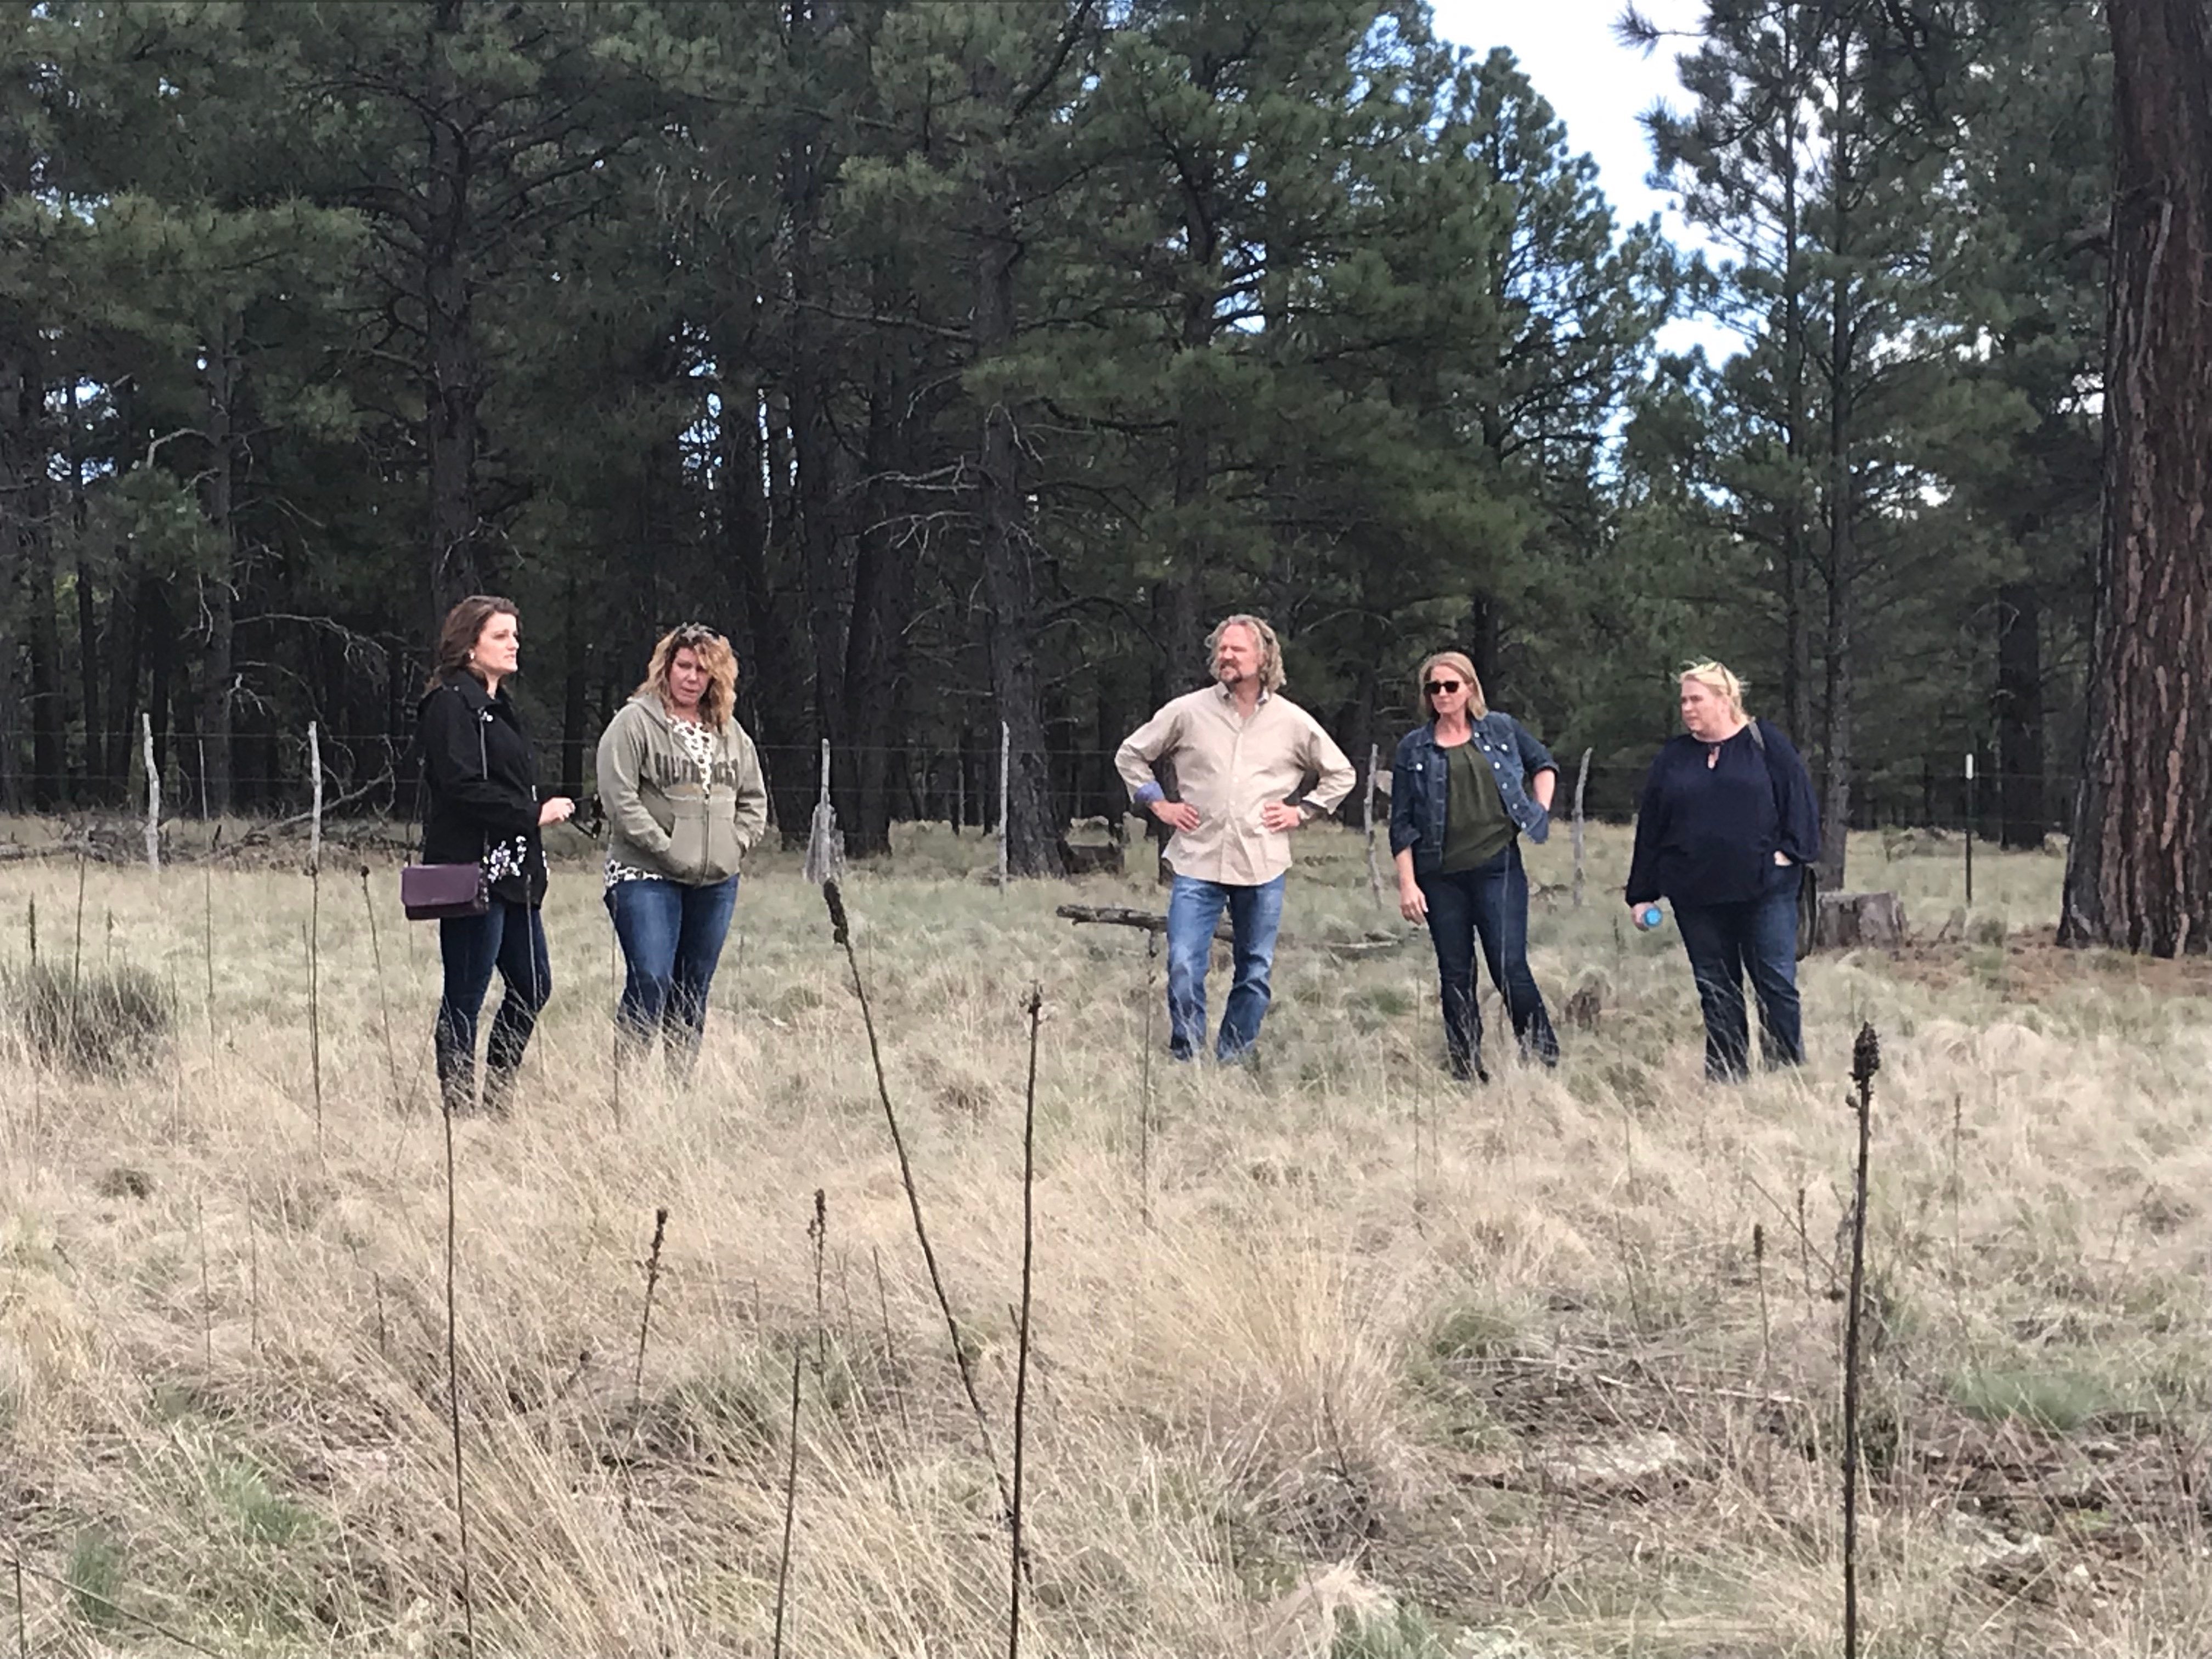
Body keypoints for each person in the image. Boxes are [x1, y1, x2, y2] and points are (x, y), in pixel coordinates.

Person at [1115, 614, 1355, 1063]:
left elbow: (1341, 773)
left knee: (1255, 970)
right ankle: (1187, 1056)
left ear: (1263, 658)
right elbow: (1131, 754)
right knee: (1184, 964)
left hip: (1262, 863)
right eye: (1222, 650)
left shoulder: (1292, 721)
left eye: (1237, 650)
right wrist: (1159, 804)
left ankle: (1233, 1059)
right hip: (1196, 860)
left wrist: (1302, 811)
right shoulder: (1188, 711)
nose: (1226, 656)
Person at [1624, 660, 1821, 1081]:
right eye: (1683, 700)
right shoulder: (1673, 758)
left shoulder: (1766, 743)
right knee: (1717, 991)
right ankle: (1728, 1079)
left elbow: (1801, 804)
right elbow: (1652, 826)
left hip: (1765, 891)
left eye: (1696, 699)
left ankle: (1786, 1077)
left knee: (1775, 985)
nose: (1688, 708)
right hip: (1695, 894)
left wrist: (1789, 856)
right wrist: (1643, 893)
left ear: (1725, 699)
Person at [417, 595, 574, 1115]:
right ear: (469, 645)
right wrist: (532, 813)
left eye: (515, 634)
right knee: (465, 993)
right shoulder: (448, 704)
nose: (514, 644)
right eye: (501, 636)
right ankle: (459, 1111)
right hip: (470, 869)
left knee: (532, 986)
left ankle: (498, 1098)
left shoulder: (500, 708)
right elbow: (459, 786)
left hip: (517, 872)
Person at [595, 623, 770, 1073]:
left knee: (693, 988)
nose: (692, 678)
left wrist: (737, 844)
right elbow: (619, 798)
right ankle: (628, 1084)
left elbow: (755, 799)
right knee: (652, 977)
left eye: (703, 670)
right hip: (644, 875)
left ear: (717, 677)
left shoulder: (731, 733)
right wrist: (664, 846)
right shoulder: (634, 722)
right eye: (684, 666)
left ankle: (678, 1091)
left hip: (714, 880)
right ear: (666, 667)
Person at [1389, 652, 1560, 1081]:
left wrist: (1539, 810)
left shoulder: (1500, 729)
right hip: (1439, 874)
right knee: (1456, 973)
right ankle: (1466, 1067)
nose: (1443, 695)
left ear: (1469, 688)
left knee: (1508, 965)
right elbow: (1402, 823)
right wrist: (1408, 884)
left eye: (1451, 686)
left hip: (1497, 865)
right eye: (1434, 688)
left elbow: (1543, 764)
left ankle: (1543, 1055)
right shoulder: (1414, 748)